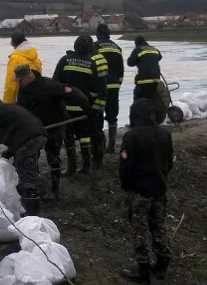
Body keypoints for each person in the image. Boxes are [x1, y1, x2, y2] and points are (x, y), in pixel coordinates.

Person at [15, 64, 92, 202]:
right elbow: (21, 109)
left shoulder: (48, 85)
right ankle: (35, 185)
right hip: (36, 127)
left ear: (29, 76)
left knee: (53, 156)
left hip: (55, 124)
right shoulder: (23, 90)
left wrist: (87, 108)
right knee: (31, 155)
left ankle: (55, 189)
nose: (19, 82)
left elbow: (71, 90)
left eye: (20, 80)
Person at [119, 98, 173, 284]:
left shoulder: (132, 136)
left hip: (139, 191)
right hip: (159, 188)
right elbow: (169, 161)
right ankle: (162, 263)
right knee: (158, 226)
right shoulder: (164, 134)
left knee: (139, 229)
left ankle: (143, 269)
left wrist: (126, 185)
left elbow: (126, 166)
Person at [0, 97, 46, 216]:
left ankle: (32, 213)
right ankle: (32, 196)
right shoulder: (8, 109)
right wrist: (7, 155)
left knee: (26, 173)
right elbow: (16, 133)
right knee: (25, 166)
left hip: (29, 139)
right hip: (38, 134)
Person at [53, 35, 107, 174]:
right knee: (84, 135)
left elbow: (55, 83)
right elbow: (100, 90)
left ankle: (71, 168)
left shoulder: (64, 60)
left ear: (75, 46)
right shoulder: (92, 64)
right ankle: (86, 165)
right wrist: (95, 109)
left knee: (68, 136)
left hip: (65, 108)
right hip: (84, 109)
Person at [94, 24, 125, 153]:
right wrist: (118, 83)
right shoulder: (116, 47)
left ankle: (100, 144)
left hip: (100, 86)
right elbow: (121, 69)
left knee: (98, 113)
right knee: (112, 115)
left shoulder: (95, 46)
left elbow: (93, 65)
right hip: (114, 85)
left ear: (97, 34)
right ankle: (111, 145)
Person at [3, 32, 42, 104]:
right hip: (37, 100)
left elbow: (11, 84)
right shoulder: (36, 58)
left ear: (14, 43)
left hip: (22, 100)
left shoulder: (15, 59)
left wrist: (7, 104)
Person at [127, 36, 162, 102]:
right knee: (150, 99)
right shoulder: (154, 49)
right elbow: (159, 57)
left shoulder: (138, 49)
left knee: (138, 100)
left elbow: (130, 63)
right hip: (156, 80)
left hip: (144, 80)